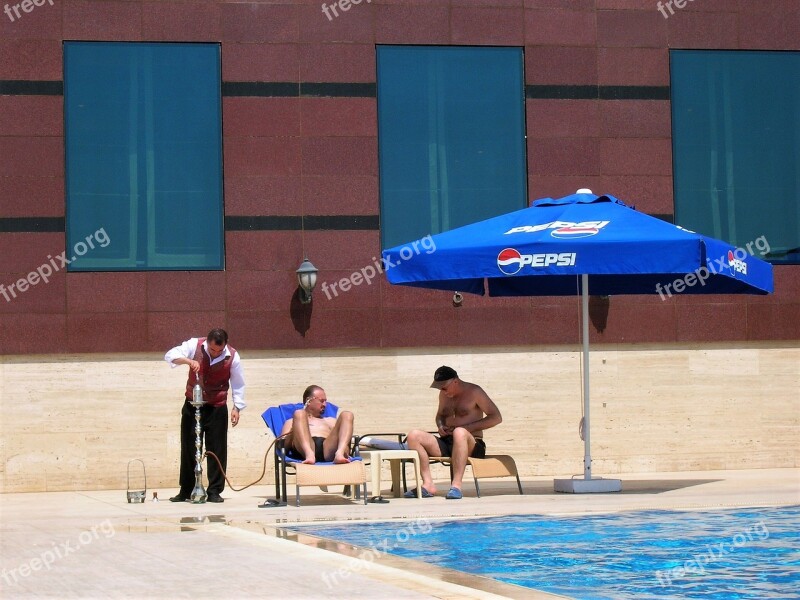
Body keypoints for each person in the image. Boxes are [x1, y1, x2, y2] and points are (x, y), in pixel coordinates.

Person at [164, 328, 245, 503]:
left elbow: (238, 383)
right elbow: (170, 355)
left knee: (216, 448)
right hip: (193, 404)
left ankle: (214, 490)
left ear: (224, 345)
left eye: (219, 350)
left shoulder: (233, 356)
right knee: (189, 446)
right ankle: (186, 489)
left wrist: (237, 408)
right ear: (207, 342)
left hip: (217, 406)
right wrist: (188, 361)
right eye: (212, 349)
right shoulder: (195, 344)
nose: (215, 352)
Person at [404, 366, 502, 500]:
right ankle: (428, 485)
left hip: (472, 444)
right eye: (439, 388)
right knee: (413, 435)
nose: (442, 391)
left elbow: (496, 417)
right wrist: (440, 426)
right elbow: (440, 415)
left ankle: (456, 486)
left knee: (460, 432)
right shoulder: (444, 395)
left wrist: (468, 427)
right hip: (448, 442)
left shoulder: (475, 391)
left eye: (444, 387)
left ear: (455, 381)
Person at [280, 385, 354, 464]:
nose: (325, 405)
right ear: (309, 401)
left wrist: (344, 449)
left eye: (325, 401)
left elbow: (344, 438)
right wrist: (293, 432)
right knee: (299, 413)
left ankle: (339, 454)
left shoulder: (330, 421)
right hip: (305, 449)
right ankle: (309, 454)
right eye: (321, 401)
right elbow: (283, 446)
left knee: (347, 414)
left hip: (328, 448)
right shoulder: (292, 421)